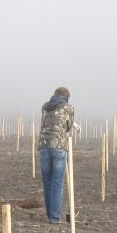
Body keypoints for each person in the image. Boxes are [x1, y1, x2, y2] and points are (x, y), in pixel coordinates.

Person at [38, 87, 76, 223]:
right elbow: (68, 127)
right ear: (66, 98)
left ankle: (50, 215)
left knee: (47, 182)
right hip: (59, 147)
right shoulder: (68, 108)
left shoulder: (44, 107)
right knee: (57, 183)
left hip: (43, 146)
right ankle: (54, 218)